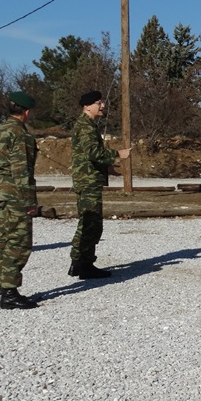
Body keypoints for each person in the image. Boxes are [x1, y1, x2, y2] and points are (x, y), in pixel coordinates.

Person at [0, 92, 40, 310]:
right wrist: (30, 201)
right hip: (14, 195)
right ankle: (8, 292)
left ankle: (3, 289)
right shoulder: (20, 133)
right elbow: (21, 169)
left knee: (3, 241)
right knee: (19, 243)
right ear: (26, 112)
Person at [68, 90, 131, 280]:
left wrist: (107, 169)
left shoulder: (88, 125)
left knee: (91, 222)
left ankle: (81, 262)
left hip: (89, 179)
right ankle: (82, 264)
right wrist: (117, 155)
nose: (102, 106)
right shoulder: (85, 127)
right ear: (87, 106)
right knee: (90, 222)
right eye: (98, 103)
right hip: (87, 182)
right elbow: (93, 153)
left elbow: (89, 156)